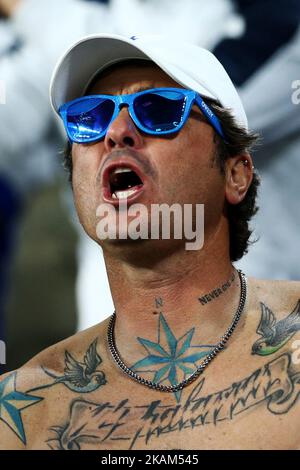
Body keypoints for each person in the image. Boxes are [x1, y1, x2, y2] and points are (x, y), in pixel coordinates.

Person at [0, 33, 300, 451]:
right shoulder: (21, 414)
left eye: (158, 110)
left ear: (235, 174)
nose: (117, 132)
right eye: (90, 117)